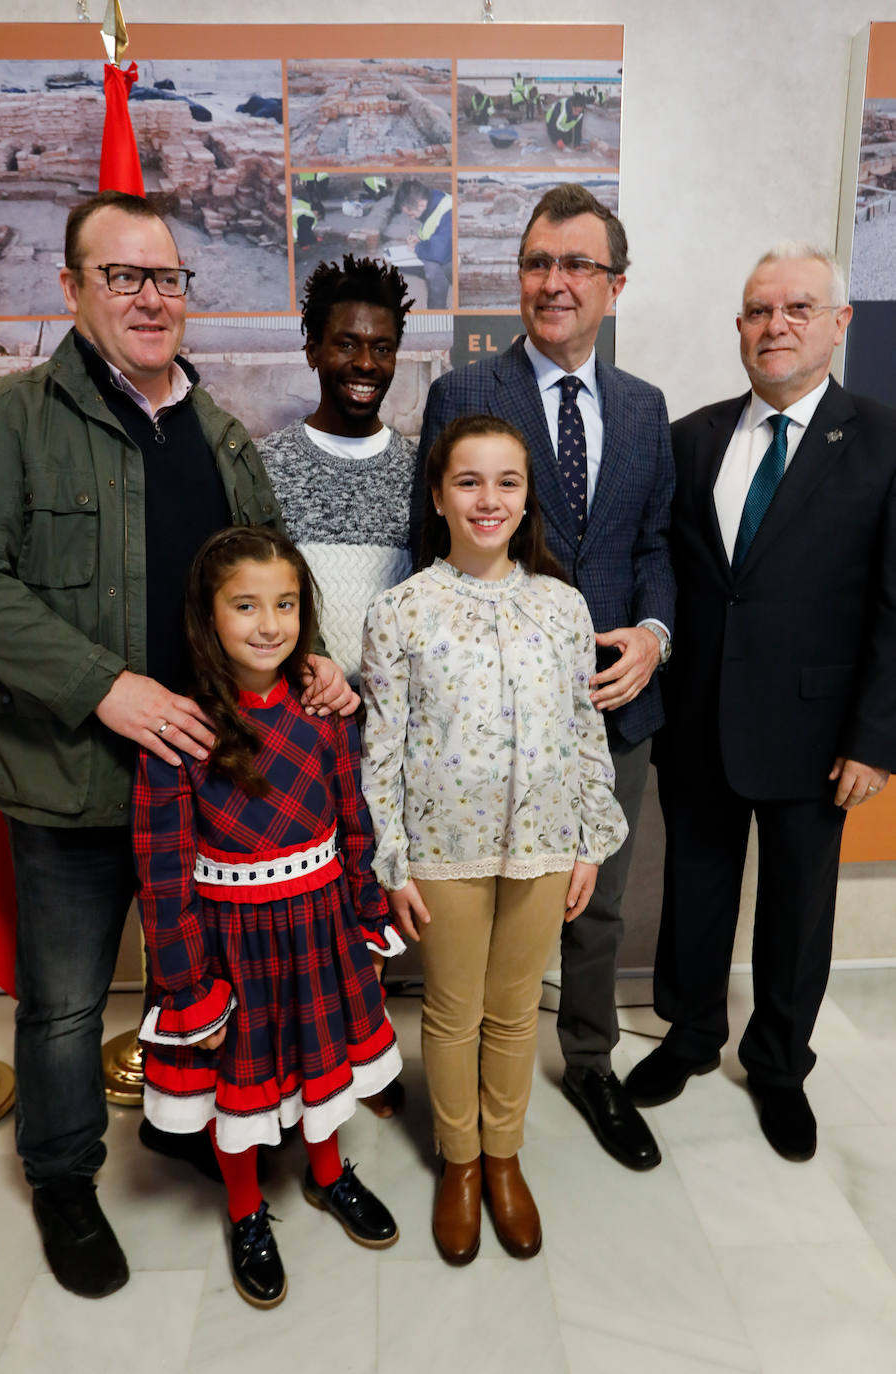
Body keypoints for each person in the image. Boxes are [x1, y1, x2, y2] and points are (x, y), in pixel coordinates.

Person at [0, 189, 355, 1300]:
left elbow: (266, 579)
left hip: (211, 792)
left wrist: (312, 659)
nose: (151, 298)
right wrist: (107, 688)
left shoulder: (223, 433)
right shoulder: (9, 422)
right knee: (61, 1004)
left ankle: (190, 1127)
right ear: (70, 289)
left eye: (167, 278)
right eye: (122, 277)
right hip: (70, 778)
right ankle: (61, 1177)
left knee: (200, 985)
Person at [416, 183, 675, 1174]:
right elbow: (428, 548)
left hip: (613, 706)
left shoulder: (644, 409)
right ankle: (476, 1097)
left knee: (595, 904)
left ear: (613, 284)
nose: (553, 282)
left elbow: (653, 544)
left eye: (575, 264)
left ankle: (592, 1065)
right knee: (489, 911)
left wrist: (654, 633)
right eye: (536, 263)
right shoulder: (461, 396)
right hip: (487, 723)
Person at [625, 244, 896, 1162]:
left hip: (819, 734)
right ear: (737, 326)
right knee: (695, 893)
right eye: (757, 310)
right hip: (700, 720)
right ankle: (692, 1034)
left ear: (837, 324)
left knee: (795, 911)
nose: (774, 325)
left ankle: (779, 1067)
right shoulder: (691, 437)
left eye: (796, 308)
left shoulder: (884, 442)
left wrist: (874, 738)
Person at [361, 415, 627, 1265]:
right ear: (439, 496)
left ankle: (504, 1155)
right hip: (444, 851)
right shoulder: (401, 611)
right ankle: (460, 1161)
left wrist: (589, 841)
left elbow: (587, 731)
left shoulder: (563, 605)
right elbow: (384, 746)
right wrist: (392, 855)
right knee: (452, 1011)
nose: (487, 498)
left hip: (546, 845)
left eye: (506, 482)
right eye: (467, 481)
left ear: (526, 498)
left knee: (514, 1013)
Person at [133, 525, 403, 1308]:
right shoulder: (179, 736)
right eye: (245, 605)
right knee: (239, 1085)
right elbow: (162, 879)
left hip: (319, 928)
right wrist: (190, 991)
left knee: (324, 1061)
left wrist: (365, 917)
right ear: (207, 617)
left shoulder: (324, 714)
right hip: (233, 943)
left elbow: (356, 825)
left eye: (285, 604)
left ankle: (327, 1175)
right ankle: (247, 1208)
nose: (268, 624)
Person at [258, 255, 416, 691]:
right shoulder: (263, 465)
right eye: (347, 344)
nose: (366, 363)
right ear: (313, 350)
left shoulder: (421, 474)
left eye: (382, 348)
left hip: (397, 728)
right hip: (296, 723)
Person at [394, 179, 452, 309]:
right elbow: (432, 233)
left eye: (411, 214)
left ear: (420, 204)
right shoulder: (432, 202)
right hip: (445, 251)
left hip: (454, 259)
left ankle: (438, 309)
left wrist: (417, 247)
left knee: (432, 269)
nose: (412, 218)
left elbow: (439, 252)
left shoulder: (448, 209)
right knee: (399, 265)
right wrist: (418, 239)